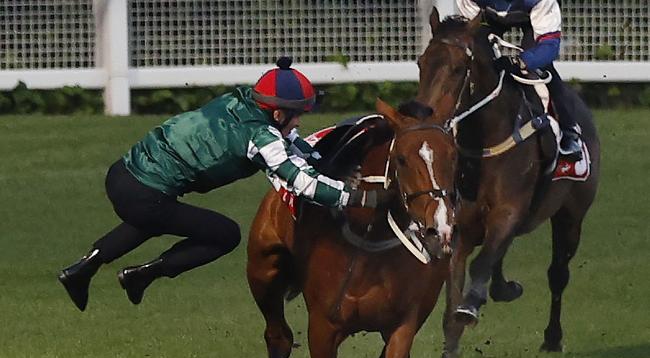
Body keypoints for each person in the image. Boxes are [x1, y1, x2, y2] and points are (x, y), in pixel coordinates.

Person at [58, 57, 389, 311]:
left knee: (152, 219)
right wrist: (361, 198)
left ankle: (81, 271)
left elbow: (290, 144)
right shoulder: (260, 137)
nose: (300, 120)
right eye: (298, 113)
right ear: (276, 114)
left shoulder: (243, 100)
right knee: (225, 234)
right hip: (145, 194)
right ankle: (143, 275)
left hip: (122, 175)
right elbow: (301, 182)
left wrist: (314, 156)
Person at [456, 0, 583, 161]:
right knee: (474, 60)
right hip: (486, 16)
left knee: (542, 66)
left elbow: (549, 46)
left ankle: (569, 130)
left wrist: (522, 62)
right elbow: (466, 34)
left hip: (531, 17)